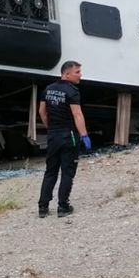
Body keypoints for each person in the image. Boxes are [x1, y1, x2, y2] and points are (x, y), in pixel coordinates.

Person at [38, 60, 90, 218]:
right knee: (67, 172)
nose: (80, 75)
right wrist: (84, 135)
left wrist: (50, 127)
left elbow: (42, 112)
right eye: (77, 72)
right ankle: (63, 206)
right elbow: (77, 114)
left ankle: (43, 207)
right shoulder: (72, 91)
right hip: (69, 136)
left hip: (53, 136)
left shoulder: (48, 89)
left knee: (50, 171)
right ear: (66, 73)